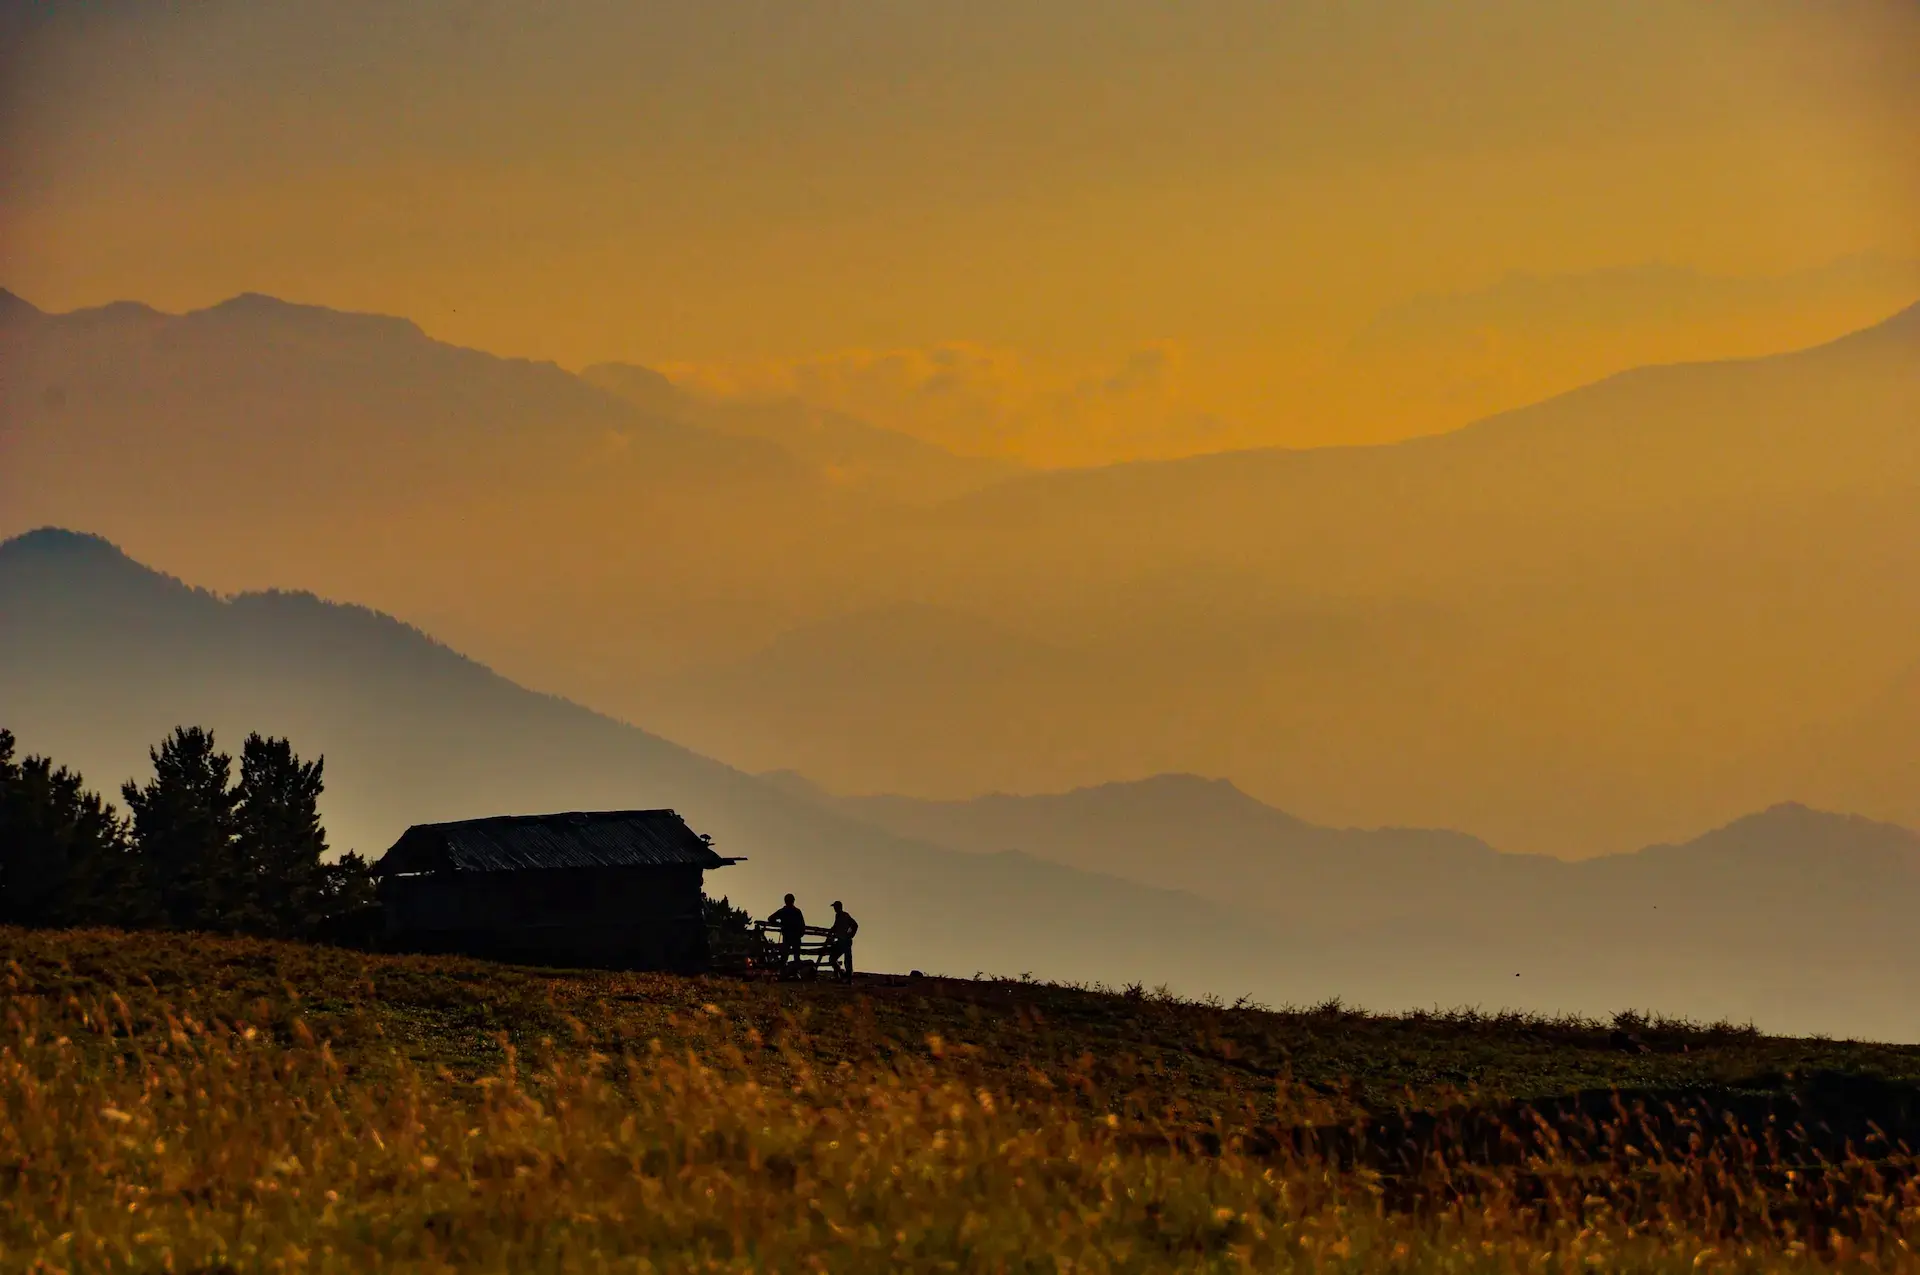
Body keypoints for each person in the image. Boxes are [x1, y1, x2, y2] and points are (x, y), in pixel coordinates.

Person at [767, 894, 806, 973]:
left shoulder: (783, 911)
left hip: (788, 937)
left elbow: (770, 919)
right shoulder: (797, 911)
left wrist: (778, 924)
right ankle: (795, 973)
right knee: (795, 956)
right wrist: (800, 934)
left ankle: (784, 973)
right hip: (795, 937)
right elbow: (802, 925)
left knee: (785, 956)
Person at [827, 900, 859, 982]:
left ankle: (848, 978)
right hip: (842, 940)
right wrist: (832, 931)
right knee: (833, 958)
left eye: (835, 907)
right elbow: (836, 926)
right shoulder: (838, 915)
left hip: (845, 941)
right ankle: (840, 974)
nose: (834, 909)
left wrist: (851, 934)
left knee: (847, 960)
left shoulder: (844, 915)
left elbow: (855, 924)